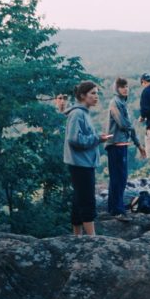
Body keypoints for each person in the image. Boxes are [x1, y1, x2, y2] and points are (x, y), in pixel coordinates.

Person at [63, 81, 111, 235]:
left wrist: (98, 138)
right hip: (81, 164)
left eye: (97, 93)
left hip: (83, 163)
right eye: (93, 93)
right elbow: (74, 139)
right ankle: (92, 239)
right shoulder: (77, 114)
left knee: (78, 200)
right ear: (83, 95)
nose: (96, 96)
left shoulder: (83, 113)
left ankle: (77, 236)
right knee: (87, 200)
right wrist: (98, 139)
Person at [105, 77, 146, 217]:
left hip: (121, 144)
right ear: (116, 89)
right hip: (115, 144)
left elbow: (129, 126)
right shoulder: (115, 102)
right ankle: (117, 209)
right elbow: (123, 124)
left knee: (119, 177)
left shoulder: (122, 102)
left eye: (126, 86)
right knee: (119, 178)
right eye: (122, 87)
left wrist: (139, 145)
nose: (125, 89)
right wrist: (132, 127)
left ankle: (114, 208)